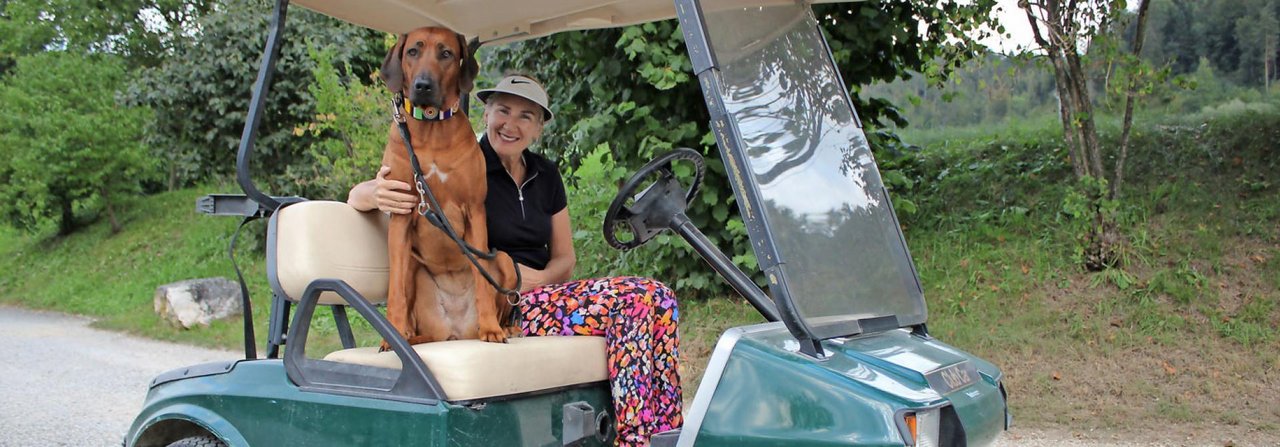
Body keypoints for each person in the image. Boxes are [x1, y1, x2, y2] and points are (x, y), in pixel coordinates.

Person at [348, 74, 682, 446]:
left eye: (525, 116)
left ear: (538, 128)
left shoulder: (547, 175)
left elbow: (565, 258)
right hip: (494, 303)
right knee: (635, 299)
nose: (511, 124)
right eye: (502, 111)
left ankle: (667, 433)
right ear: (486, 114)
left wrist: (532, 282)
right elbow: (383, 190)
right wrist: (368, 192)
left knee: (659, 297)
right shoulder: (462, 164)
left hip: (543, 295)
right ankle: (635, 439)